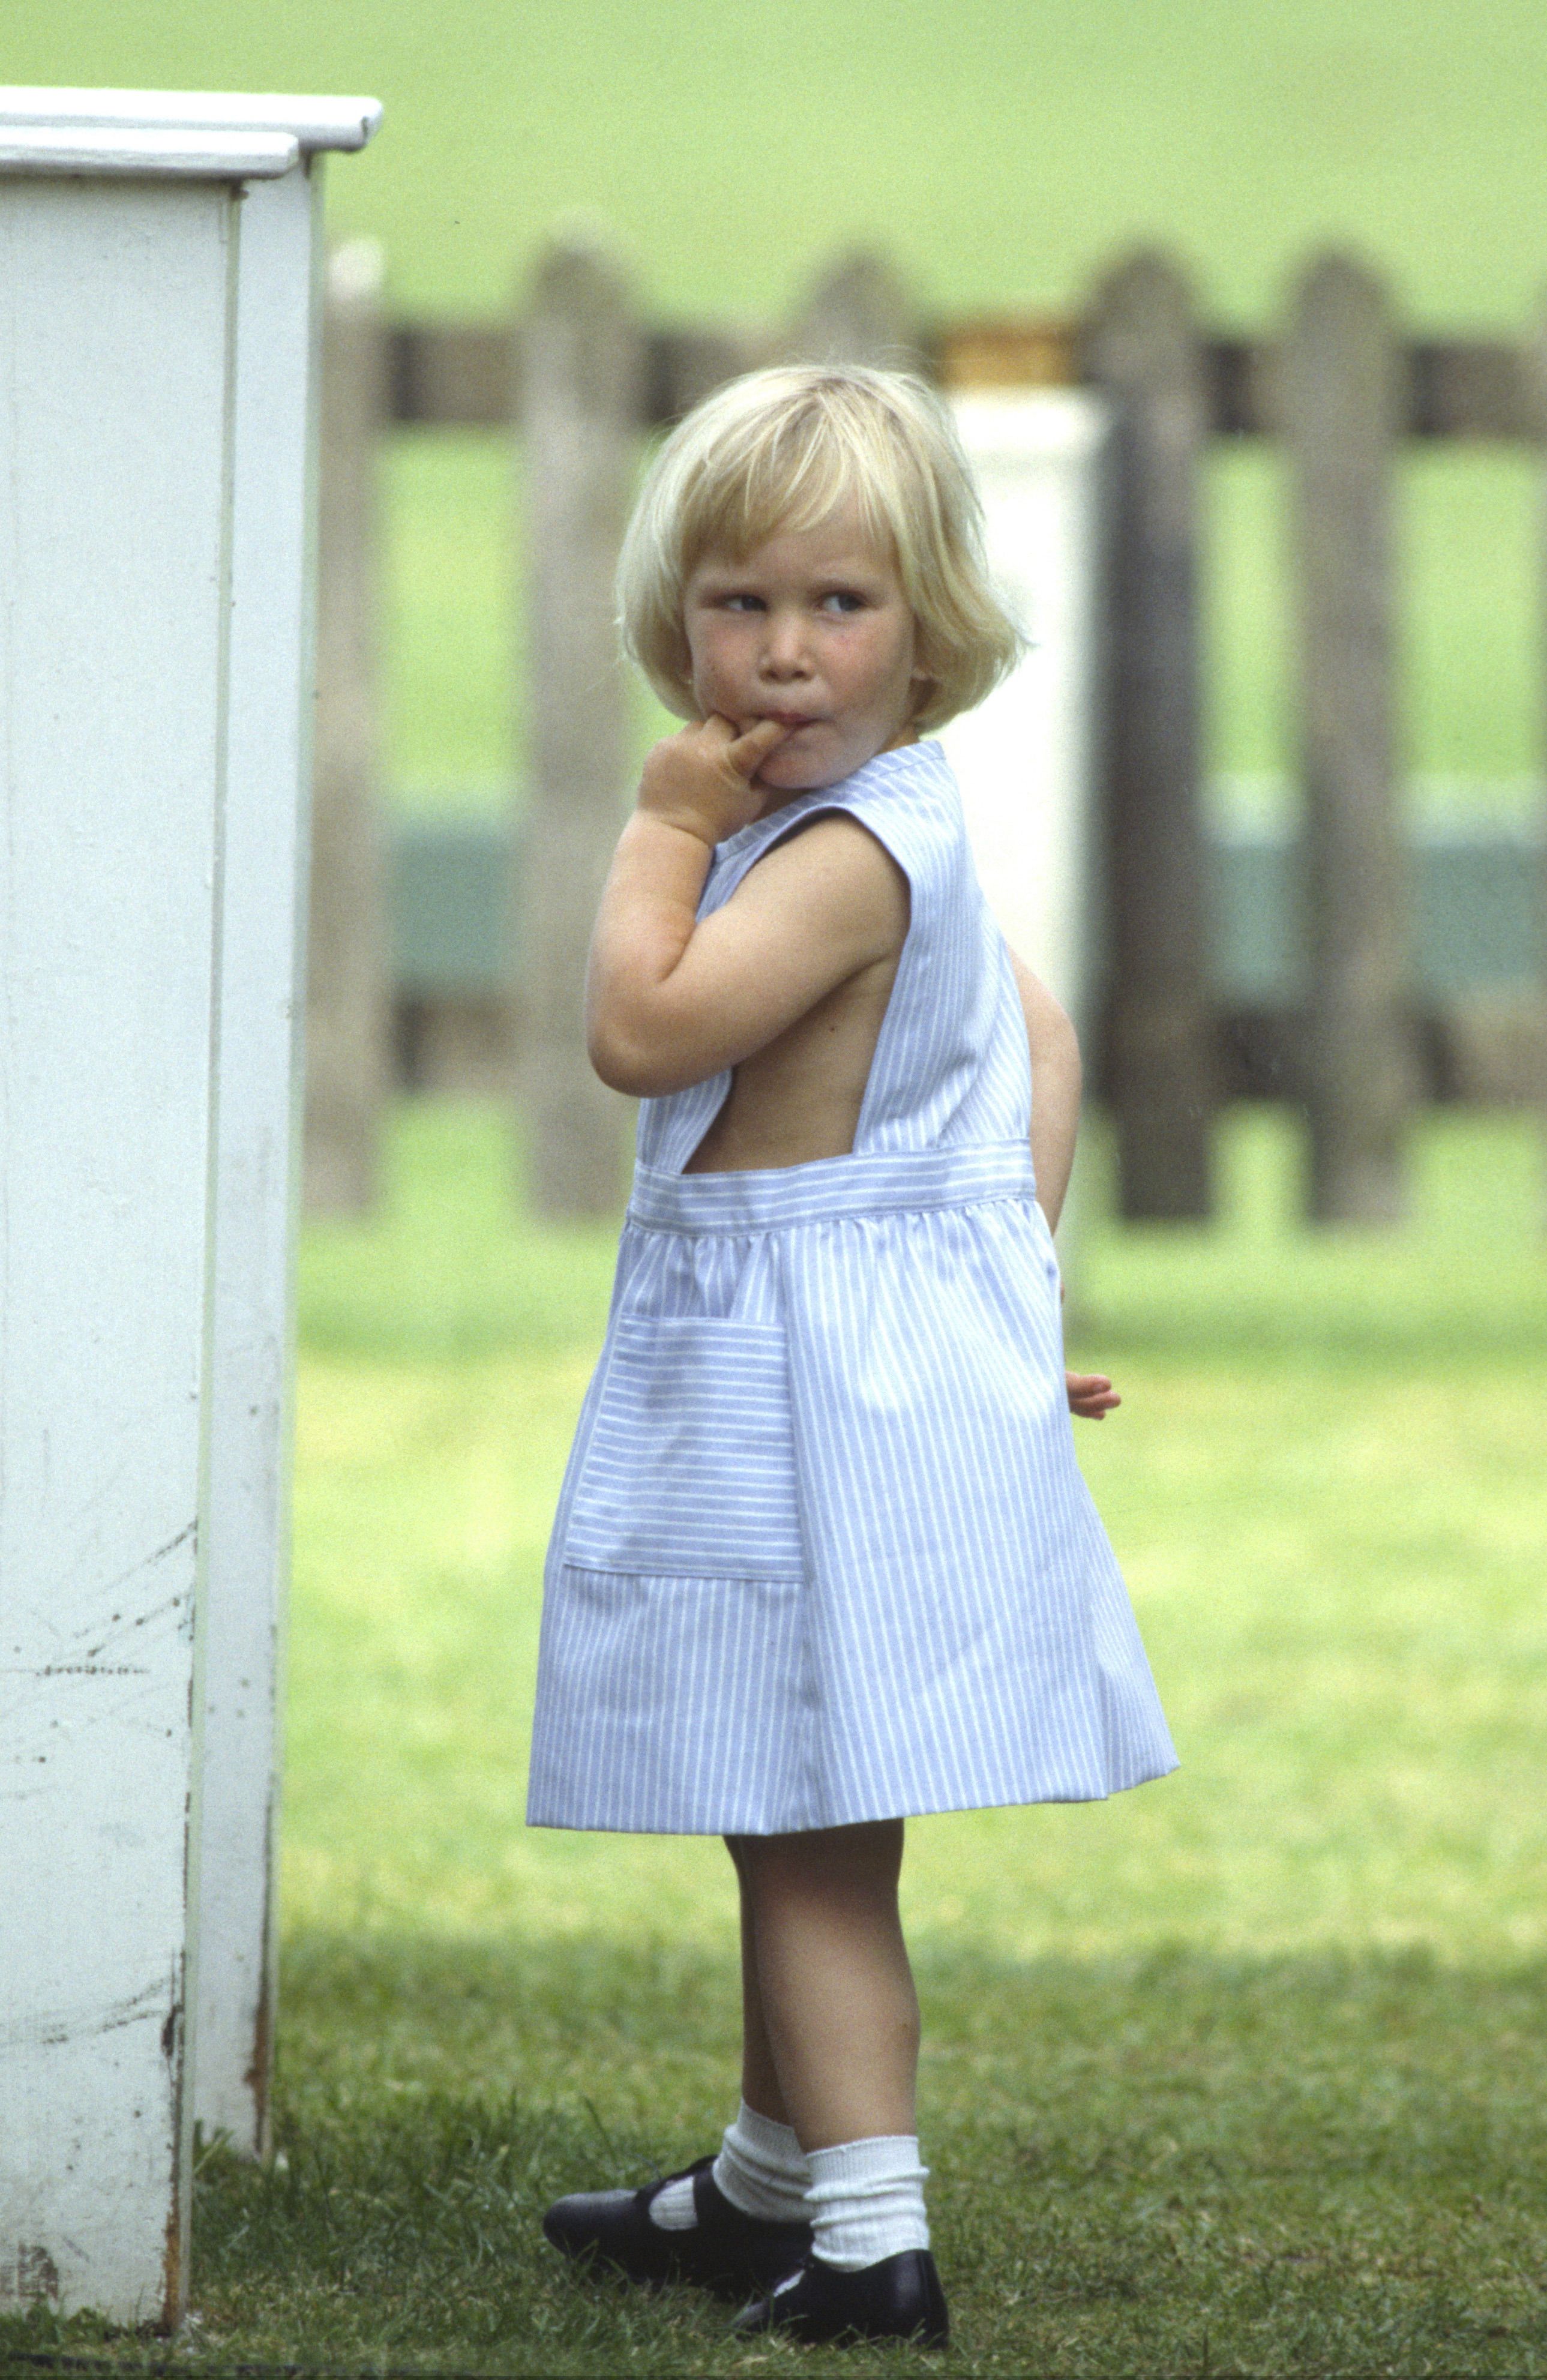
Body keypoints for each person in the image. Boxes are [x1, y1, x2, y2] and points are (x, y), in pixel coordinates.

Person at [529, 364, 1177, 2349]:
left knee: (814, 1824)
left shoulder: (825, 857)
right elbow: (1036, 1048)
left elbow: (645, 1032)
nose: (785, 655)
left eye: (840, 607)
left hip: (800, 1387)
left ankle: (872, 2234)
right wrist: (1003, 1300)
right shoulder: (898, 822)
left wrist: (653, 834)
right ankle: (761, 2181)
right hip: (826, 1363)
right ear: (679, 622)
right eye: (740, 605)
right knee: (770, 1770)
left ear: (930, 628)